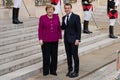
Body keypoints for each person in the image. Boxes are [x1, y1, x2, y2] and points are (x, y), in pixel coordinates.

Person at [38, 4, 62, 76]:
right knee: (46, 57)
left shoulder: (56, 17)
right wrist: (40, 39)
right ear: (46, 10)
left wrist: (60, 37)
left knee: (54, 56)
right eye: (48, 9)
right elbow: (40, 29)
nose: (50, 11)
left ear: (53, 10)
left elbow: (59, 28)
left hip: (55, 40)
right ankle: (46, 71)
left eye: (51, 9)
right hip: (45, 41)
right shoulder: (42, 18)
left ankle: (53, 71)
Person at [61, 3, 81, 78]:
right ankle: (70, 70)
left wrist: (78, 39)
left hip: (74, 40)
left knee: (75, 56)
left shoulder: (76, 17)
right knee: (68, 56)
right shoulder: (63, 18)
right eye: (65, 8)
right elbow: (62, 27)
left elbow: (79, 29)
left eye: (68, 8)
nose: (67, 9)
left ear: (71, 8)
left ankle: (76, 71)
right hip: (66, 40)